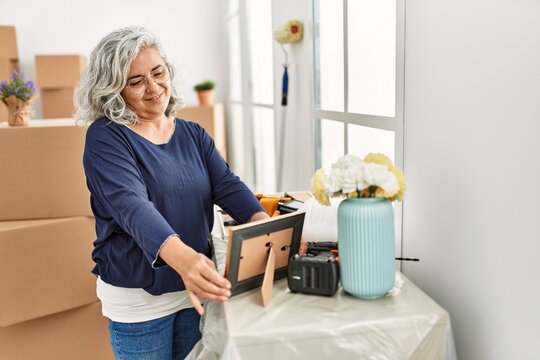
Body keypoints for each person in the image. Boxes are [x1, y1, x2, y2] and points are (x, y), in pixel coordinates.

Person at [75, 26, 281, 359]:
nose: (154, 87)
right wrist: (185, 261)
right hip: (140, 296)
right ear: (114, 90)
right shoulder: (106, 138)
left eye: (158, 72)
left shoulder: (193, 134)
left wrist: (266, 228)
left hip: (193, 288)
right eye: (136, 81)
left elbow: (227, 185)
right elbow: (132, 207)